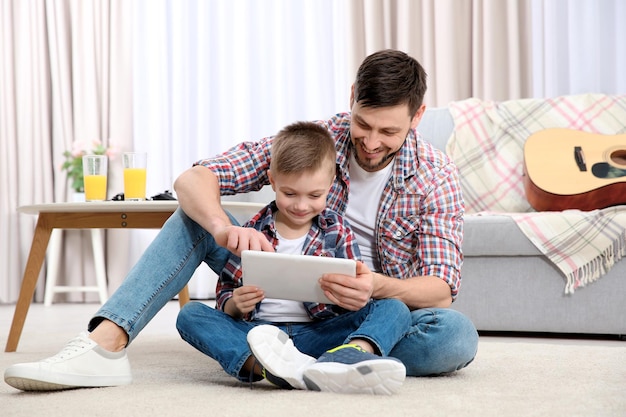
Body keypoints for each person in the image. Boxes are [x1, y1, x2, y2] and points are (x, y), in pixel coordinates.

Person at [4, 49, 478, 393]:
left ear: (416, 117)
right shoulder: (316, 139)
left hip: (358, 310)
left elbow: (441, 287)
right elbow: (195, 177)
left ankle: (325, 357)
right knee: (190, 218)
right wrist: (222, 228)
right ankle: (104, 345)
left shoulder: (434, 177)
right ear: (352, 98)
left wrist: (375, 286)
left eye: (388, 131)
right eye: (362, 123)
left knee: (454, 336)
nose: (371, 142)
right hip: (266, 302)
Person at [176, 121, 409, 395]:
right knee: (190, 315)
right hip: (260, 335)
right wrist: (235, 306)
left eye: (314, 195)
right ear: (273, 181)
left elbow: (356, 296)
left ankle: (347, 355)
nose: (301, 205)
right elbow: (227, 290)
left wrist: (349, 296)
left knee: (395, 308)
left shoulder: (337, 231)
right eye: (290, 194)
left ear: (330, 184)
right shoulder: (253, 230)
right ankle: (269, 369)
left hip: (321, 332)